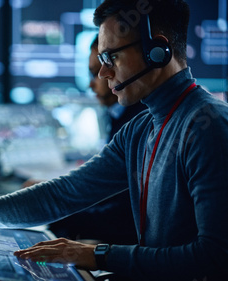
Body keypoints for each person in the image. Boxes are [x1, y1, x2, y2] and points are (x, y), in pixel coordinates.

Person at [0, 0, 228, 280]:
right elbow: (65, 193)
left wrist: (94, 254)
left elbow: (219, 262)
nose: (103, 72)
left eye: (111, 57)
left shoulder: (210, 128)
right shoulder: (142, 129)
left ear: (159, 50)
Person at [48, 35, 147, 244]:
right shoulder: (121, 117)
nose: (93, 83)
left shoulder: (141, 123)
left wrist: (66, 218)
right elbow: (108, 188)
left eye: (96, 73)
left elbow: (127, 214)